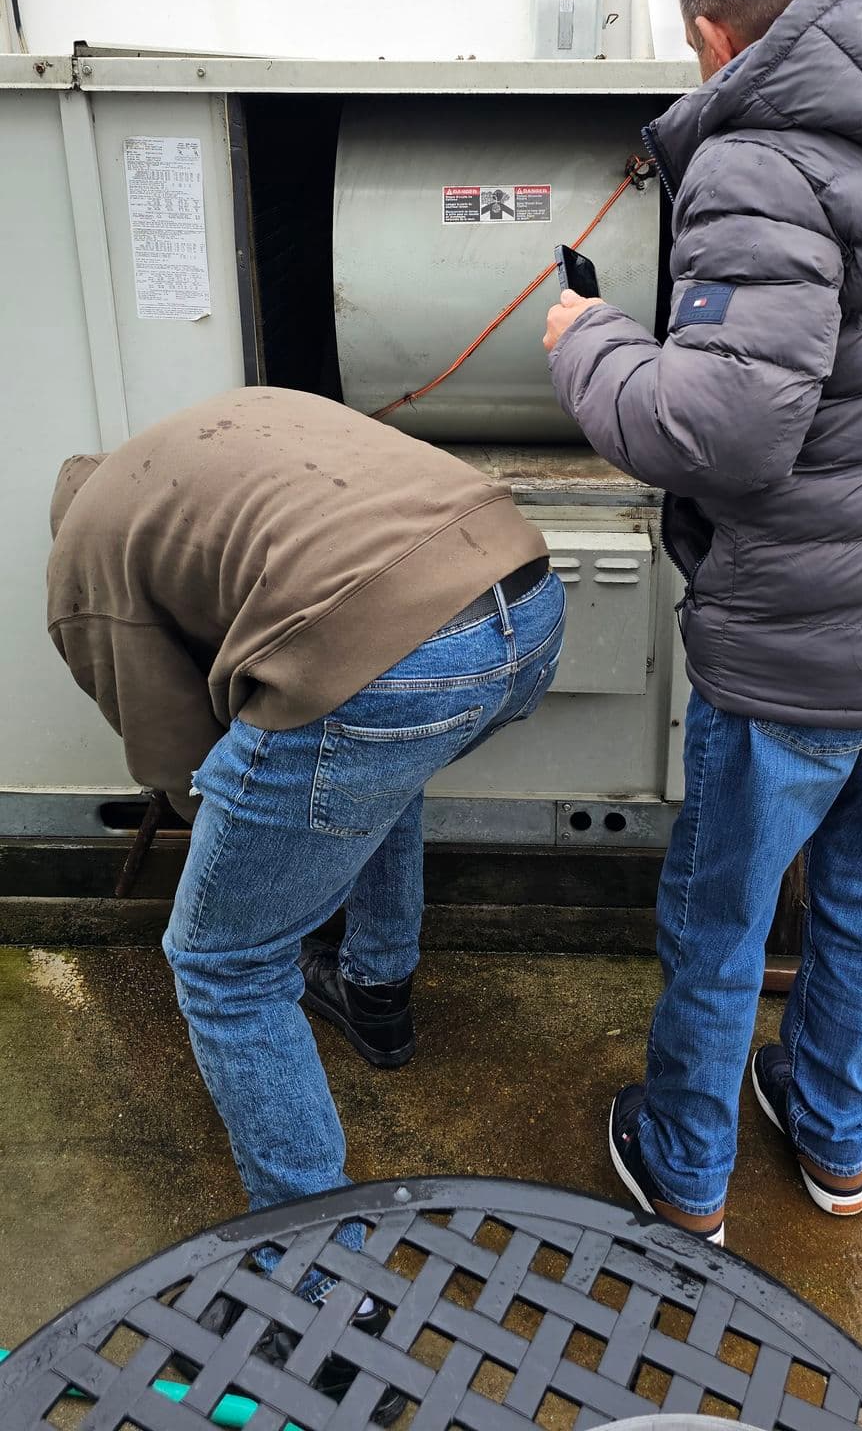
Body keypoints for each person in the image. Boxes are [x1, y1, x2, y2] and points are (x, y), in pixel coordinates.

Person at [544, 0, 862, 1247]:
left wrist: (592, 347)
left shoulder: (763, 156)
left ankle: (686, 1177)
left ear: (710, 34)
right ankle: (832, 1136)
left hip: (798, 653)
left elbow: (724, 431)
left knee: (725, 927)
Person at [47, 388, 563, 1271]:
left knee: (226, 963)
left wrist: (222, 837)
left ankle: (314, 1276)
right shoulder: (229, 431)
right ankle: (375, 993)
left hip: (394, 654)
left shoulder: (87, 562)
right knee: (368, 772)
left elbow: (173, 758)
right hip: (529, 603)